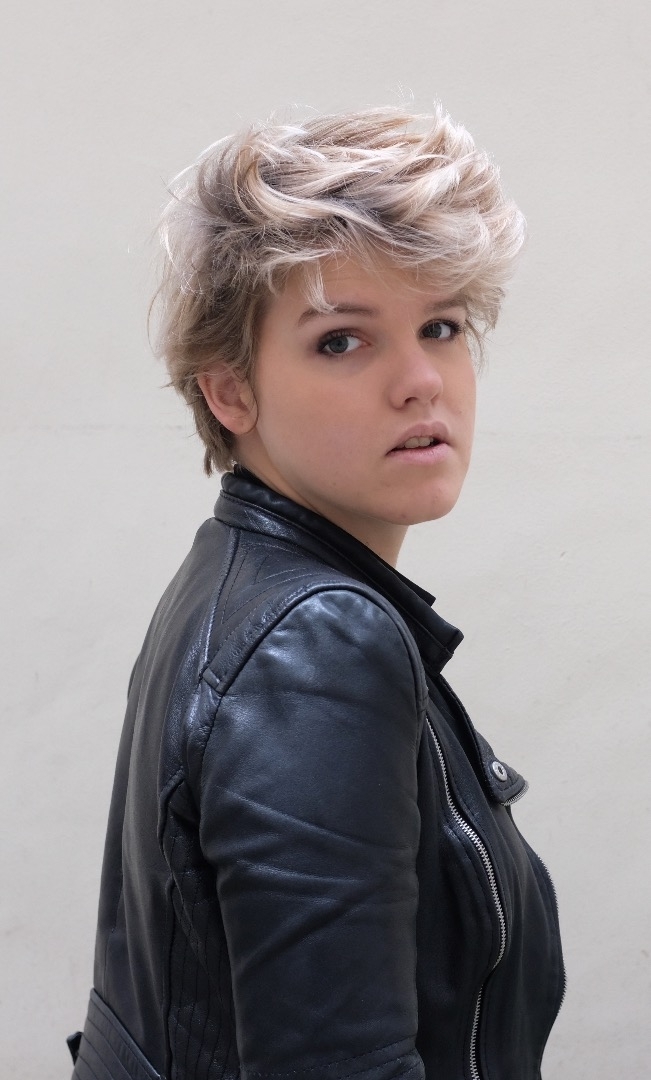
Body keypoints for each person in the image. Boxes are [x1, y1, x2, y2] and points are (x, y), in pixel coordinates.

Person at [68, 106, 564, 1080]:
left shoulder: (236, 580)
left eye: (441, 327)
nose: (420, 381)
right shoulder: (317, 639)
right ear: (229, 392)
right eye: (342, 341)